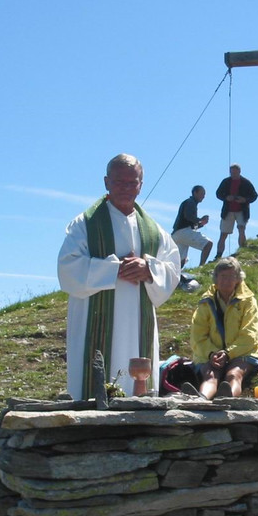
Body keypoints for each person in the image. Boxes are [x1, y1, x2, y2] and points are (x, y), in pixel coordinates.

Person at [58, 154, 181, 399]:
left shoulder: (154, 231)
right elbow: (67, 268)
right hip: (94, 318)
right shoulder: (85, 224)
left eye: (132, 182)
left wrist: (149, 270)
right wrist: (113, 269)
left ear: (141, 185)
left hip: (139, 321)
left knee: (137, 383)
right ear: (106, 182)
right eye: (118, 182)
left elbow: (173, 268)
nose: (125, 188)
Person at [188, 257, 258, 400]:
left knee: (234, 374)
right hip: (211, 354)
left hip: (244, 352)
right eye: (223, 276)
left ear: (238, 279)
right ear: (216, 278)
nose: (227, 280)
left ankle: (227, 399)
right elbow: (197, 336)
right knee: (210, 375)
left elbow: (251, 334)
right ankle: (201, 400)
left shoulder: (248, 301)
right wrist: (212, 354)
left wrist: (228, 353)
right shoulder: (205, 303)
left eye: (232, 276)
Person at [214, 164, 257, 259]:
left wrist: (244, 200)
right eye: (231, 172)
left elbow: (254, 196)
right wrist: (226, 197)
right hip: (228, 211)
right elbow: (218, 194)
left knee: (241, 229)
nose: (233, 174)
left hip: (241, 210)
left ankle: (242, 251)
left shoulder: (246, 182)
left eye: (234, 172)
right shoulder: (226, 182)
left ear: (239, 172)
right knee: (223, 233)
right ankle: (218, 255)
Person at [172, 185, 213, 268]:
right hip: (183, 232)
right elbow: (188, 216)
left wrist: (201, 224)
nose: (203, 196)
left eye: (204, 194)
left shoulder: (189, 202)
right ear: (195, 193)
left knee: (180, 261)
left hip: (177, 234)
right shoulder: (190, 202)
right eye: (202, 194)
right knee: (208, 244)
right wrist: (200, 220)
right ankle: (201, 267)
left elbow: (188, 222)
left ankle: (175, 277)